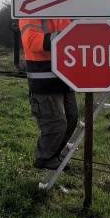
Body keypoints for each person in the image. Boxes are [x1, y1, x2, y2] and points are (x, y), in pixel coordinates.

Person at [19, 18, 79, 170]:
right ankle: (44, 158)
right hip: (44, 81)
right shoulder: (31, 12)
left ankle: (54, 155)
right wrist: (65, 38)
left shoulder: (63, 13)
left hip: (66, 79)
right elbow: (31, 41)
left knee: (72, 118)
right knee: (56, 124)